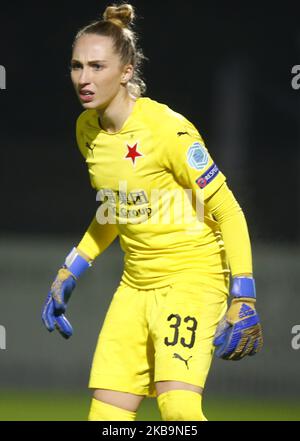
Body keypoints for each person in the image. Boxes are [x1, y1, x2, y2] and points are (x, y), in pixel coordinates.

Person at [42, 3, 263, 421]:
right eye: (76, 66)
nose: (84, 79)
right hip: (135, 286)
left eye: (96, 66)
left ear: (126, 71)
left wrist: (244, 293)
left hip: (192, 278)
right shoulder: (86, 130)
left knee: (178, 409)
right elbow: (117, 210)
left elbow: (229, 211)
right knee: (105, 418)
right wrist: (72, 268)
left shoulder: (168, 129)